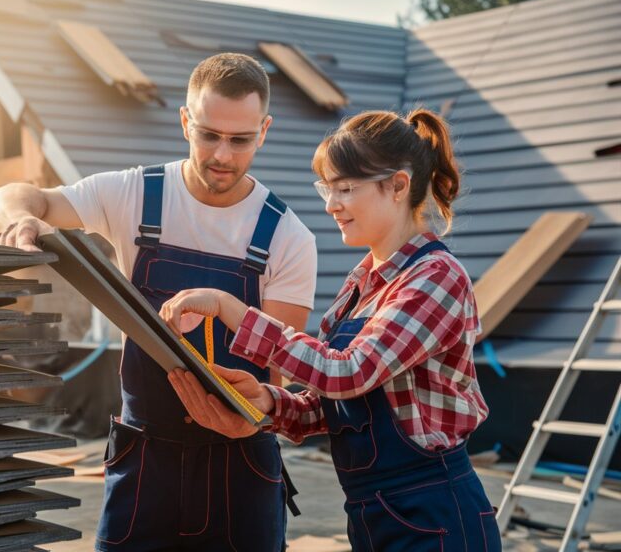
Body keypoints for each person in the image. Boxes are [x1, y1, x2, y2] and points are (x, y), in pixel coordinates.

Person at [0, 53, 317, 551]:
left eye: (240, 139)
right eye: (208, 134)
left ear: (264, 131)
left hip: (240, 466)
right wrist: (22, 219)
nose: (222, 155)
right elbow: (11, 196)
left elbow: (277, 373)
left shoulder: (288, 236)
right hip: (145, 462)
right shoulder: (136, 194)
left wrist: (248, 416)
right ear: (185, 121)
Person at [161, 108, 503, 552]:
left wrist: (233, 311)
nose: (331, 205)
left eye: (344, 189)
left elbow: (349, 373)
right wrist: (268, 402)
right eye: (328, 188)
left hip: (436, 514)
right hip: (372, 515)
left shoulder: (436, 278)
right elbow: (339, 404)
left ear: (397, 185)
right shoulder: (360, 284)